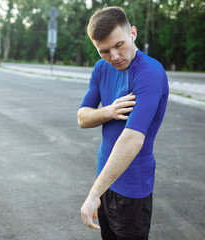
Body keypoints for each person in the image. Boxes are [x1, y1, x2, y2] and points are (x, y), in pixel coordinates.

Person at [78, 6, 169, 240]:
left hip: (132, 188)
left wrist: (93, 194)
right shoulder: (102, 68)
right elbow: (82, 118)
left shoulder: (149, 72)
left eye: (119, 45)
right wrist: (108, 111)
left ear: (133, 33)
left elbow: (132, 139)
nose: (114, 57)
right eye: (104, 51)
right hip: (105, 180)